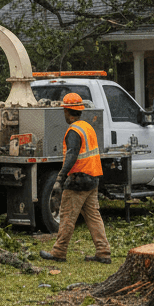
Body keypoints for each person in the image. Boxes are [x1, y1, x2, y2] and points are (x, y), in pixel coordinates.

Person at [39, 92, 112, 264]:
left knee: (67, 217)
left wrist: (60, 177)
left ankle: (59, 252)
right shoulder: (87, 127)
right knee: (94, 216)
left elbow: (72, 155)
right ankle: (103, 252)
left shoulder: (73, 131)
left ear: (67, 111)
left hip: (78, 179)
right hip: (93, 178)